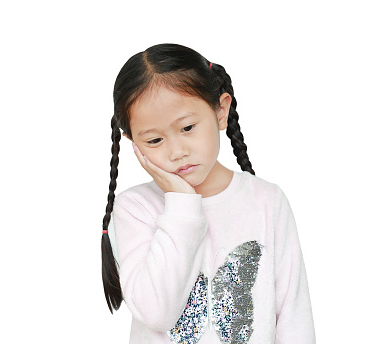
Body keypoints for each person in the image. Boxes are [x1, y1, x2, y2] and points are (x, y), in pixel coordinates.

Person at [101, 43, 316, 344]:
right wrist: (181, 204)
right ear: (132, 141)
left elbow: (294, 318)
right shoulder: (135, 208)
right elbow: (158, 313)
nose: (177, 152)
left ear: (220, 110)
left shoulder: (267, 201)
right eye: (154, 140)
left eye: (188, 127)